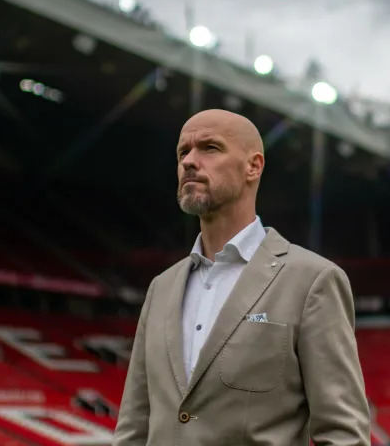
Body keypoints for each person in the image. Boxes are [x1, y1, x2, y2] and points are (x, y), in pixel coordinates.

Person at [113, 109, 370, 445]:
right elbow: (134, 427)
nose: (189, 161)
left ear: (253, 166)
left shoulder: (313, 281)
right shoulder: (161, 288)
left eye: (210, 148)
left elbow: (343, 434)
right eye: (182, 152)